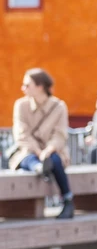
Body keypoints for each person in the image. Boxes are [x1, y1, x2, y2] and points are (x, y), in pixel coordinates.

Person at [8, 68, 74, 219]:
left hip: (53, 151)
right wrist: (39, 152)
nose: (23, 88)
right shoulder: (21, 105)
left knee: (54, 160)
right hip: (29, 151)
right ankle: (40, 168)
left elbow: (60, 134)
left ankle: (67, 200)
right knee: (28, 160)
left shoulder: (59, 107)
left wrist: (48, 150)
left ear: (40, 86)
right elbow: (21, 134)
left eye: (27, 85)